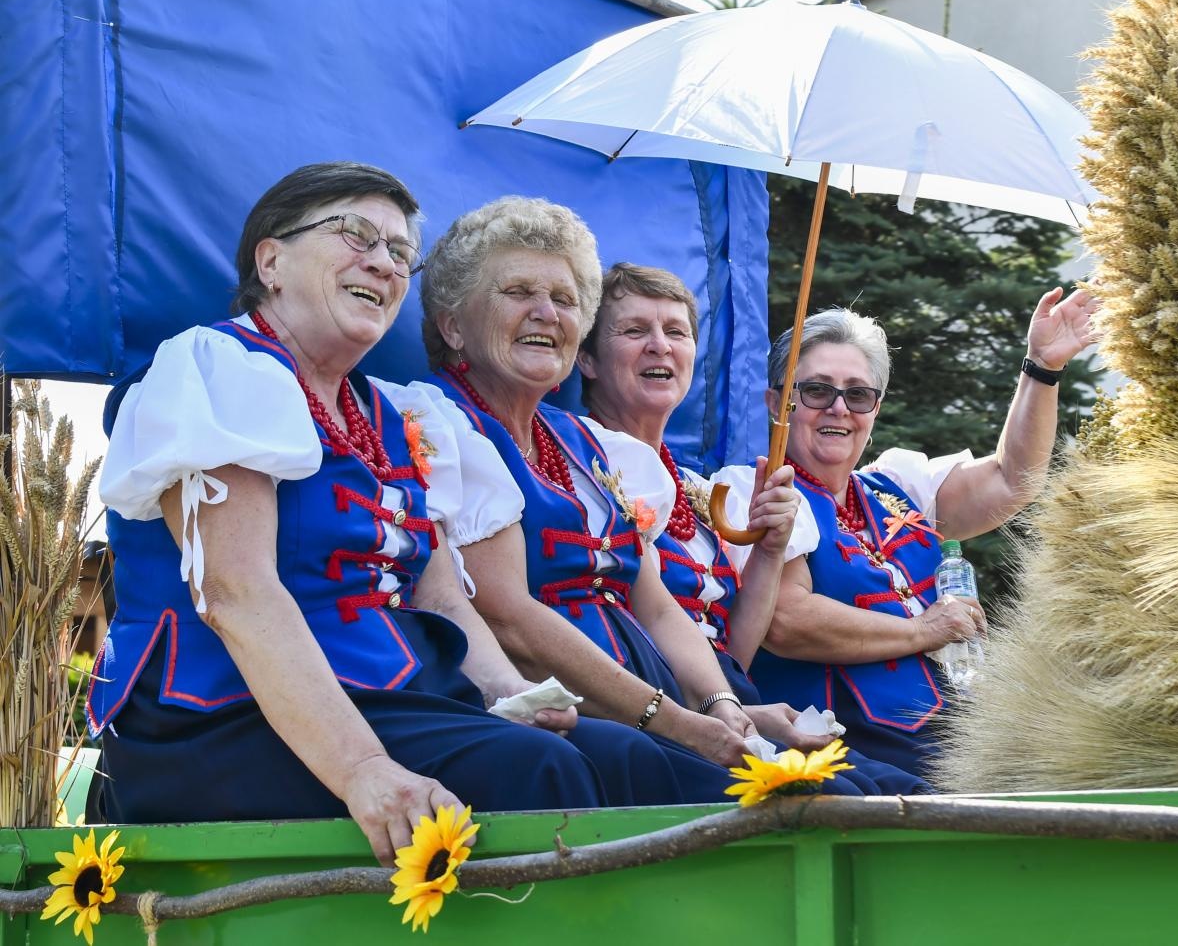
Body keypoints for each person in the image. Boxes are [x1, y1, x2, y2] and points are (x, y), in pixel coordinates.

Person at [88, 163, 719, 864]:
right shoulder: (216, 367)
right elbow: (238, 593)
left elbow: (440, 591)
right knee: (543, 775)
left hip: (388, 698)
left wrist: (511, 690)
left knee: (636, 760)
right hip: (219, 718)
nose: (382, 263)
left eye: (398, 252)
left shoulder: (391, 413)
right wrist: (362, 770)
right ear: (271, 260)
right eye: (354, 234)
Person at [418, 197, 878, 788]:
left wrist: (723, 708)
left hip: (661, 702)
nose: (545, 313)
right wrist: (680, 723)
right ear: (453, 325)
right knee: (807, 803)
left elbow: (656, 603)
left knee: (863, 787)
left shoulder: (589, 446)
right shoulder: (438, 426)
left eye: (564, 300)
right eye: (517, 292)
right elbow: (508, 616)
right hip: (571, 712)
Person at [577, 263, 927, 794]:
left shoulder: (700, 491)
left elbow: (734, 651)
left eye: (676, 332)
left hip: (728, 703)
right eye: (634, 331)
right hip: (643, 711)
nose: (660, 347)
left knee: (906, 791)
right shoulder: (579, 466)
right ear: (586, 357)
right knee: (846, 800)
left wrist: (768, 551)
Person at [726, 294, 1099, 779]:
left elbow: (1013, 481)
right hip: (848, 756)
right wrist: (924, 631)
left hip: (964, 740)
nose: (839, 408)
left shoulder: (897, 485)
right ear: (779, 403)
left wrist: (1042, 368)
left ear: (875, 409)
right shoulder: (756, 489)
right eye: (817, 391)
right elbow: (785, 619)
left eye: (858, 395)